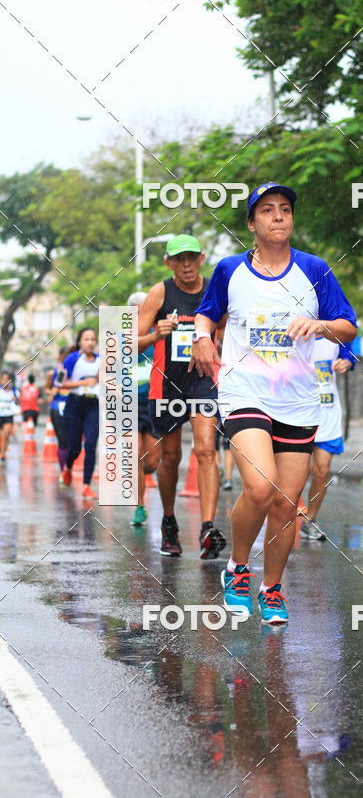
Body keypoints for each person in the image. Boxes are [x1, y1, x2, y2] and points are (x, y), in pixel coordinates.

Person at [190, 182, 357, 624]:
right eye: (267, 210)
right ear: (252, 223)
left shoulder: (315, 270)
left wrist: (320, 325)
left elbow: (348, 328)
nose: (278, 216)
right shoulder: (230, 270)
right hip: (245, 391)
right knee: (261, 487)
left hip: (298, 399)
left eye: (285, 209)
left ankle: (272, 589)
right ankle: (238, 568)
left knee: (286, 502)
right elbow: (207, 311)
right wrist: (201, 337)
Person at [137, 234, 225, 558]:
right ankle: (169, 521)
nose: (185, 265)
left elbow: (228, 329)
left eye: (191, 258)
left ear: (202, 258)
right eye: (178, 259)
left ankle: (207, 527)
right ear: (168, 263)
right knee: (169, 458)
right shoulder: (160, 292)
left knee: (205, 451)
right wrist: (154, 334)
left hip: (202, 381)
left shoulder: (214, 290)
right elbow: (131, 342)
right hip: (166, 384)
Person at [300, 338, 356, 540]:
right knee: (295, 471)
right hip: (296, 409)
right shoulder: (292, 326)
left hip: (327, 411)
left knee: (322, 470)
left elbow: (348, 352)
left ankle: (310, 520)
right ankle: (282, 517)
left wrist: (347, 362)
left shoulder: (335, 329)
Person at [127, 291, 162, 526]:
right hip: (128, 403)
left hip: (153, 401)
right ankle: (139, 505)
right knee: (135, 453)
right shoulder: (121, 334)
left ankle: (141, 475)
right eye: (138, 311)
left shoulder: (160, 333)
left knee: (151, 462)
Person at [60, 328, 101, 499]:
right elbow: (60, 383)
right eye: (86, 339)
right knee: (75, 448)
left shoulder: (102, 360)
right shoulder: (71, 359)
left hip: (93, 405)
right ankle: (68, 468)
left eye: (93, 339)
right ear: (80, 342)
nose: (90, 342)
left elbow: (107, 379)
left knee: (91, 445)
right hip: (74, 405)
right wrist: (83, 382)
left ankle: (86, 486)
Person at [44, 346, 74, 477]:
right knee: (63, 442)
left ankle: (68, 468)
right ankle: (64, 471)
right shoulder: (58, 372)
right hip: (58, 408)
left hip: (74, 407)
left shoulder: (79, 370)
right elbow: (49, 388)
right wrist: (52, 392)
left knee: (73, 442)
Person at [0, 371, 19, 461]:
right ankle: (2, 451)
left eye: (6, 380)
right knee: (2, 435)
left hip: (8, 415)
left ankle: (2, 453)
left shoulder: (14, 390)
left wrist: (16, 400)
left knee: (6, 435)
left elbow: (18, 402)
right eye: (3, 379)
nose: (4, 381)